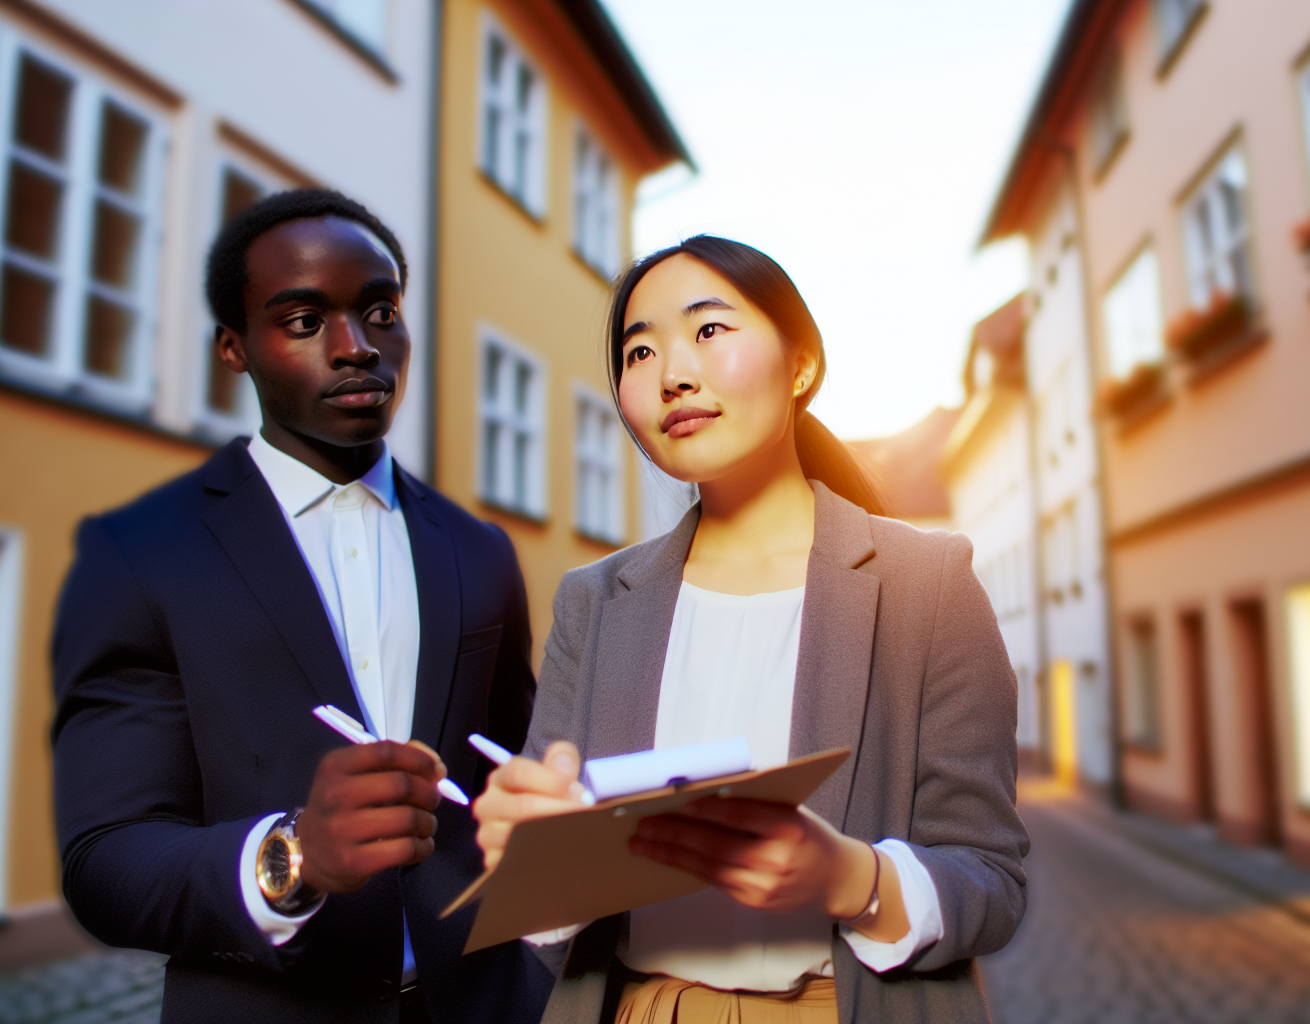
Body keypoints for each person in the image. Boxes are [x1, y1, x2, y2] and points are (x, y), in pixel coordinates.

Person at [471, 236, 1028, 1024]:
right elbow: (549, 913)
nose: (673, 375)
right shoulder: (594, 602)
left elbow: (992, 882)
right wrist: (527, 855)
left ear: (801, 365)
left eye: (708, 330)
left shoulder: (926, 586)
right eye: (639, 352)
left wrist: (852, 879)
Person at [52, 190, 553, 1024]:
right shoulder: (141, 552)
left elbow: (506, 773)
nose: (357, 348)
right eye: (303, 320)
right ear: (234, 347)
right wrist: (293, 854)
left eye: (380, 311)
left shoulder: (479, 550)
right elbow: (106, 862)